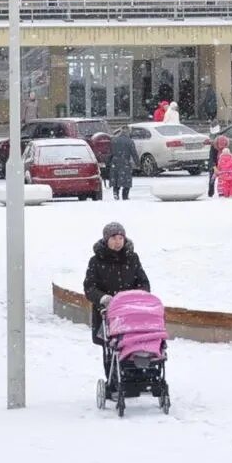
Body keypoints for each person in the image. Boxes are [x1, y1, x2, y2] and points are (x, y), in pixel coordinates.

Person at [83, 222, 151, 361]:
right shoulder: (96, 261)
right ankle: (112, 379)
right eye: (113, 238)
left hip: (131, 312)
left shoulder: (132, 258)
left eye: (120, 238)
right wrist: (103, 298)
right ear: (106, 239)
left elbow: (143, 282)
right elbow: (89, 287)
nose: (118, 242)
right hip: (107, 314)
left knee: (134, 348)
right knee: (110, 351)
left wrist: (138, 296)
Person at [107, 128, 138, 201]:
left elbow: (110, 153)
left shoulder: (114, 140)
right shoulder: (130, 141)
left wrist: (108, 163)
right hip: (125, 162)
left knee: (116, 179)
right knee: (126, 181)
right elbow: (134, 153)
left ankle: (115, 192)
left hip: (115, 162)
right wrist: (137, 163)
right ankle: (125, 196)